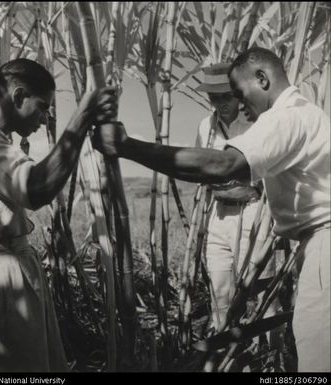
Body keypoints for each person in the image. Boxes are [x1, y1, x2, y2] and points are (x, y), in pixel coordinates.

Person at [93, 47, 330, 372]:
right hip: (311, 243)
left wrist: (127, 147)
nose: (241, 105)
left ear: (262, 78)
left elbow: (221, 164)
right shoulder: (302, 111)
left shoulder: (286, 117)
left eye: (240, 93)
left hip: (323, 247)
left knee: (317, 359)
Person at [0, 58, 117, 372]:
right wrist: (82, 115)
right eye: (43, 107)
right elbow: (36, 188)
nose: (44, 119)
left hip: (11, 266)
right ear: (17, 97)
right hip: (2, 275)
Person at [194, 62, 276, 333]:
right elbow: (201, 168)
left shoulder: (256, 119)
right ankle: (225, 352)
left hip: (253, 210)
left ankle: (272, 357)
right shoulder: (205, 126)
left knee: (261, 292)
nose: (220, 103)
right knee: (219, 294)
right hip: (218, 214)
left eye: (225, 96)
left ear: (237, 93)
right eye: (213, 98)